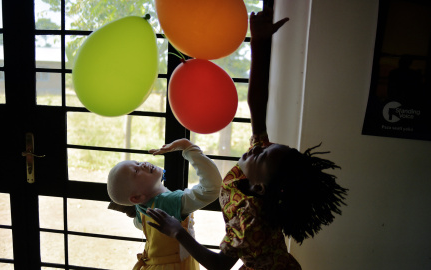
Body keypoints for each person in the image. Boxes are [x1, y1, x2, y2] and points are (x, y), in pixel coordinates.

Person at [145, 2, 348, 270]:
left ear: (260, 188)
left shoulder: (252, 220)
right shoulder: (260, 177)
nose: (258, 147)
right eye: (265, 147)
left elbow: (221, 265)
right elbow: (258, 105)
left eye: (262, 154)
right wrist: (260, 43)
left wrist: (177, 232)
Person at [107, 138, 222, 270]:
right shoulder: (169, 203)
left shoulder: (141, 209)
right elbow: (212, 188)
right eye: (136, 172)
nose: (143, 165)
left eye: (137, 163)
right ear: (137, 197)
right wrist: (189, 148)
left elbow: (137, 223)